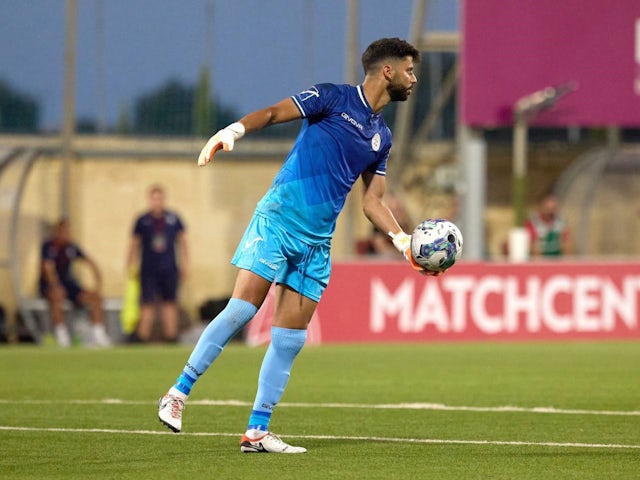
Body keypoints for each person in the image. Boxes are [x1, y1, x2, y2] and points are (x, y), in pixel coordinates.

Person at [158, 37, 435, 454]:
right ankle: (177, 393)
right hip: (279, 220)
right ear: (388, 71)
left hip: (316, 243)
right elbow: (273, 113)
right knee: (241, 309)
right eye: (410, 71)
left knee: (289, 339)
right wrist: (233, 130)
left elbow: (372, 201)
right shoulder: (332, 98)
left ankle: (256, 431)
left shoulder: (382, 136)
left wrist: (401, 240)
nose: (414, 79)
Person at [126, 184, 189, 343]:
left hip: (169, 268)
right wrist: (130, 264)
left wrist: (185, 264)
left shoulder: (173, 219)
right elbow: (134, 243)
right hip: (148, 269)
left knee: (170, 302)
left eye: (159, 198)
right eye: (154, 199)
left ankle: (171, 337)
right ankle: (142, 337)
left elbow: (183, 242)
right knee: (147, 303)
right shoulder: (142, 220)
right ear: (149, 200)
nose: (157, 202)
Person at [39, 218, 111, 347]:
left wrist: (98, 283)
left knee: (95, 298)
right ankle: (62, 335)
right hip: (50, 285)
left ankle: (98, 334)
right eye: (64, 232)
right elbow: (47, 268)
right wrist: (55, 285)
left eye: (68, 231)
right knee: (57, 296)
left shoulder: (71, 247)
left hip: (69, 285)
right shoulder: (48, 246)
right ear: (57, 232)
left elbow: (90, 262)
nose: (67, 234)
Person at [525, 192, 573, 257]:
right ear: (541, 207)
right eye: (548, 209)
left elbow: (567, 239)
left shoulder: (560, 220)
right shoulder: (533, 222)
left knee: (568, 244)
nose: (550, 213)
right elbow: (531, 244)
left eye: (553, 209)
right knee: (534, 246)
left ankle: (566, 266)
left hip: (557, 253)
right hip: (540, 254)